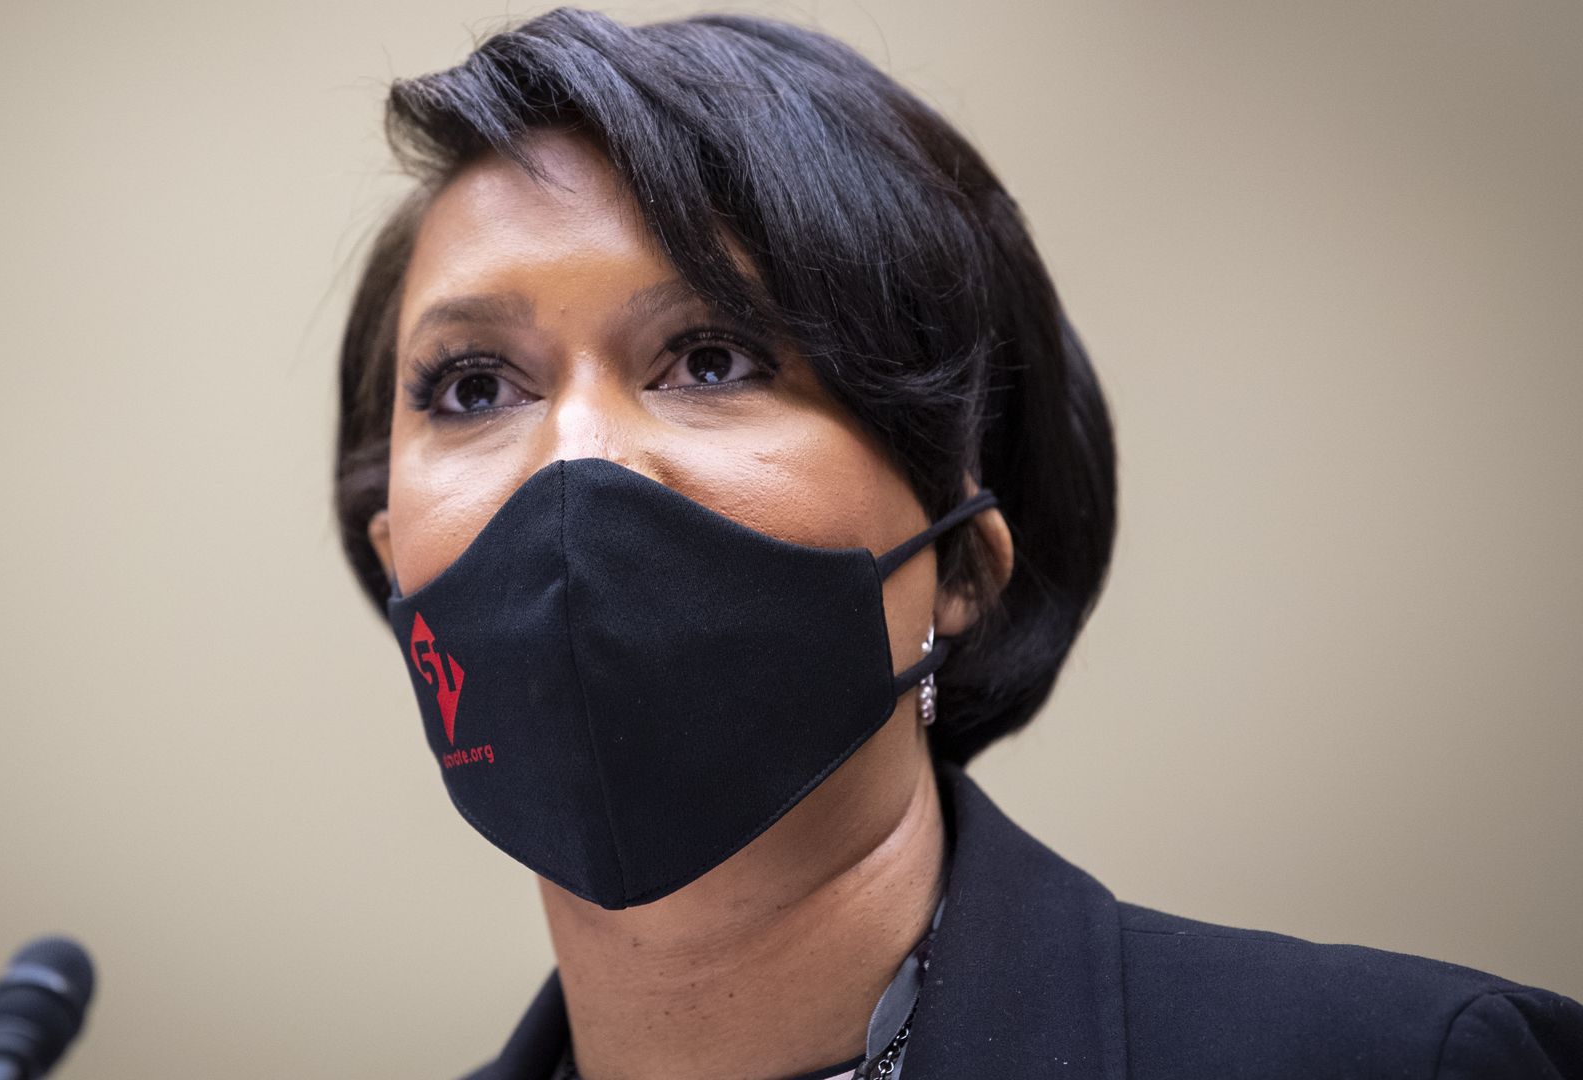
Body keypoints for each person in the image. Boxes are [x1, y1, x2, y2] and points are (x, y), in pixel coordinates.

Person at [330, 8, 1583, 1078]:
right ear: (395, 554)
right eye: (474, 386)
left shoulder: (1410, 1059)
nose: (573, 460)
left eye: (711, 358)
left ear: (969, 559)